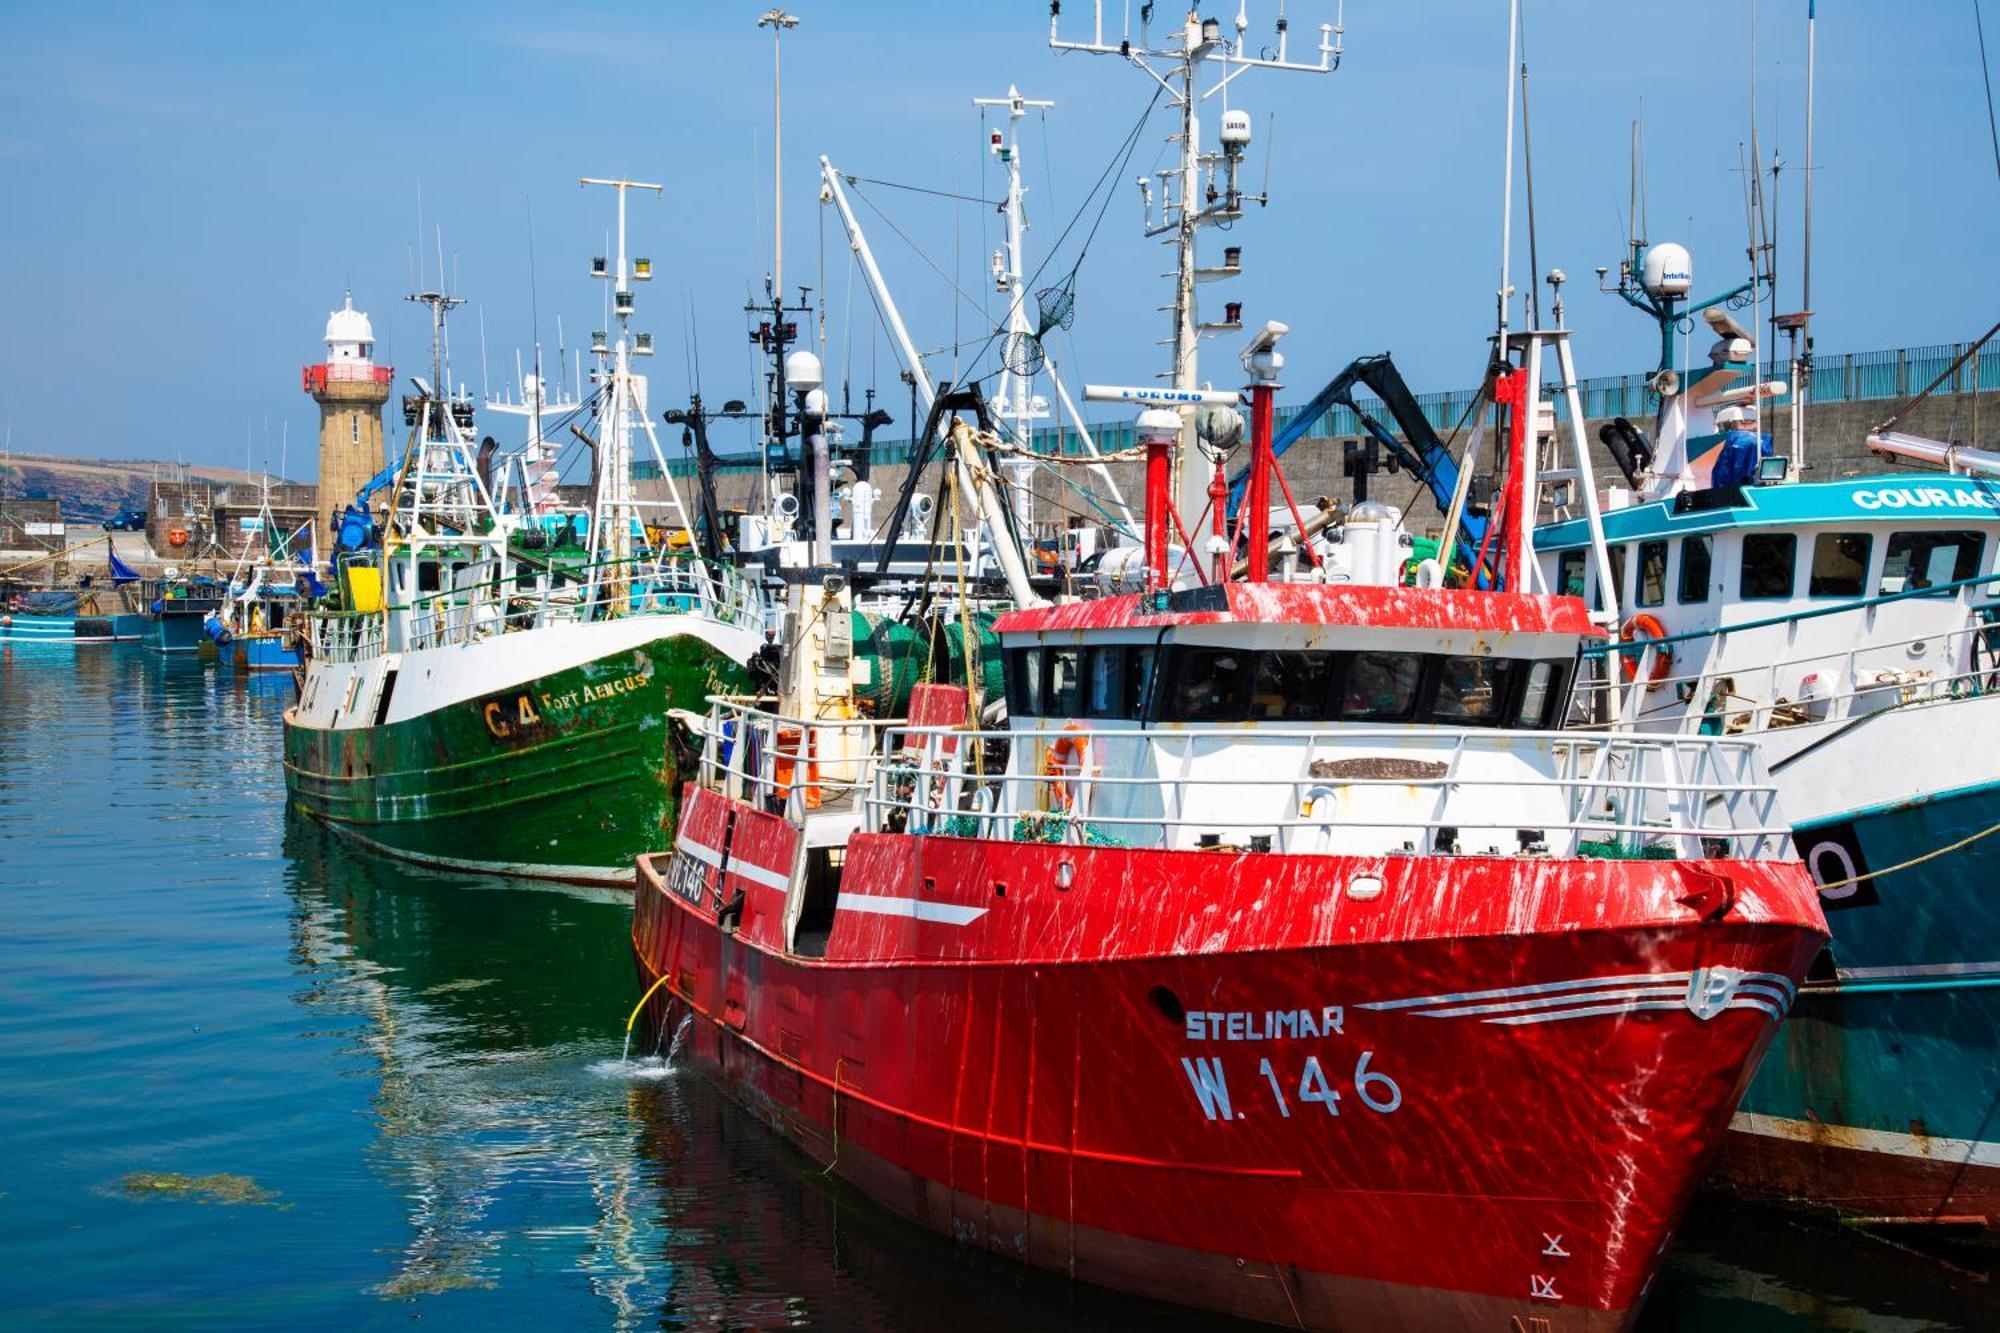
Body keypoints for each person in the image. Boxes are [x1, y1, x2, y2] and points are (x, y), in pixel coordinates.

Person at [1709, 405, 1768, 488]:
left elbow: (1721, 473)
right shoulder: (1764, 440)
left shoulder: (1732, 439)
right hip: (1755, 485)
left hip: (1732, 489)